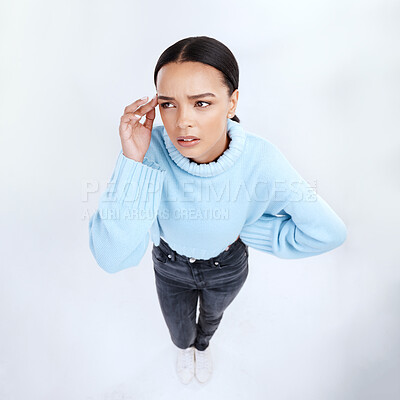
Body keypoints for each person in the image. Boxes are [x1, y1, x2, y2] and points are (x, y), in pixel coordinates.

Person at [88, 36, 347, 385]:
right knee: (179, 330)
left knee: (211, 320)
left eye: (202, 103)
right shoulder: (150, 150)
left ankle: (204, 346)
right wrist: (133, 162)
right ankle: (184, 349)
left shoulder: (262, 158)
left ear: (231, 102)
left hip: (227, 266)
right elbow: (112, 257)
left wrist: (245, 226)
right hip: (170, 265)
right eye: (168, 104)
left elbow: (329, 232)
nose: (182, 122)